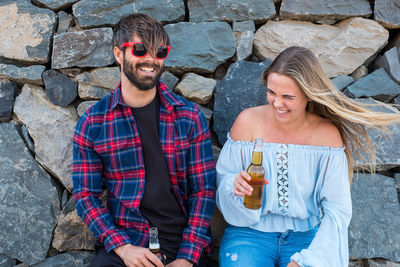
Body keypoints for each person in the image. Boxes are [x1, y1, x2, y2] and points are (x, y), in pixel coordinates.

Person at [215, 46, 400, 267]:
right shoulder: (247, 122)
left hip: (305, 238)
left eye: (288, 97)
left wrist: (308, 259)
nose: (276, 103)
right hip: (248, 235)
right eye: (271, 92)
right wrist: (233, 185)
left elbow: (337, 210)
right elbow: (223, 182)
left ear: (309, 95)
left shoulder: (327, 135)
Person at [72, 13, 216, 267]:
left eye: (160, 52)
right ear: (119, 54)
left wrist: (186, 257)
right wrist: (122, 247)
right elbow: (86, 196)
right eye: (140, 50)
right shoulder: (93, 123)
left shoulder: (189, 117)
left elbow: (203, 192)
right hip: (128, 242)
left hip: (181, 243)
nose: (151, 59)